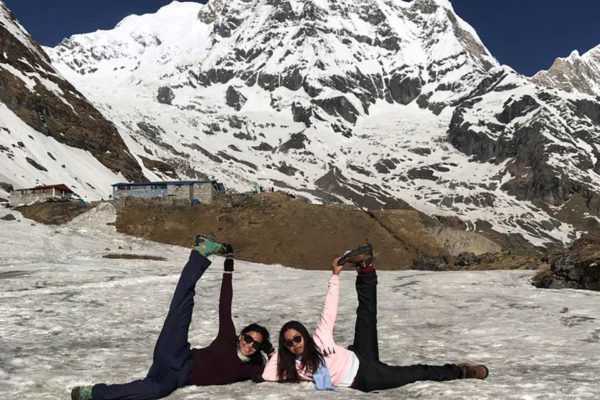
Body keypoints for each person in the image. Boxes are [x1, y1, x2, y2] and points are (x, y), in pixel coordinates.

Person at [261, 244, 488, 392]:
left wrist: (335, 276)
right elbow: (266, 374)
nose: (294, 345)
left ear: (304, 335)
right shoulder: (291, 366)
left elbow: (329, 309)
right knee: (418, 372)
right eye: (289, 343)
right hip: (365, 376)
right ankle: (462, 371)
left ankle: (365, 268)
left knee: (366, 314)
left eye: (296, 338)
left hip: (359, 354)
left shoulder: (319, 339)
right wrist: (277, 354)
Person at [71, 235, 274, 400]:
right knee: (182, 304)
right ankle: (201, 251)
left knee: (153, 391)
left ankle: (92, 393)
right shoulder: (228, 337)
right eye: (248, 338)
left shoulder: (253, 367)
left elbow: (276, 368)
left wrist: (269, 352)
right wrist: (228, 267)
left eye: (256, 344)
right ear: (241, 336)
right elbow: (225, 303)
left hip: (178, 377)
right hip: (177, 353)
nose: (250, 345)